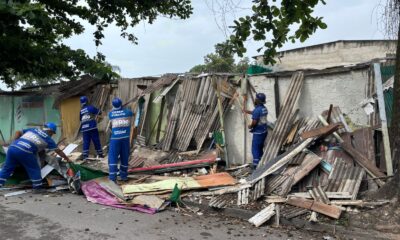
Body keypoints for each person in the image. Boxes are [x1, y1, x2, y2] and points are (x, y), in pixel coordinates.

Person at [0, 123, 70, 190]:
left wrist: (15, 141)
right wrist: (66, 158)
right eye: (52, 133)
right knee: (34, 169)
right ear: (51, 131)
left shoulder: (33, 129)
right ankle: (37, 188)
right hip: (26, 151)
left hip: (12, 148)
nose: (52, 135)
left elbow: (18, 132)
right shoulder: (49, 139)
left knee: (7, 168)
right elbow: (58, 151)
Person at [108, 97, 133, 182]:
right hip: (125, 138)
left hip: (115, 138)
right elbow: (131, 112)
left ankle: (112, 178)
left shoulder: (111, 114)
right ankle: (124, 176)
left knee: (113, 157)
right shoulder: (128, 112)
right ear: (121, 104)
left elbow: (113, 114)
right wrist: (123, 108)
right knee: (124, 156)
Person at [243, 93, 268, 168]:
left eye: (256, 98)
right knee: (260, 147)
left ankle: (256, 166)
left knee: (255, 148)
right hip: (264, 131)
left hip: (258, 132)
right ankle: (261, 163)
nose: (254, 99)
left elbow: (254, 121)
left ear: (258, 100)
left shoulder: (257, 110)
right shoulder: (263, 108)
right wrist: (246, 111)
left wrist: (250, 126)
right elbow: (255, 113)